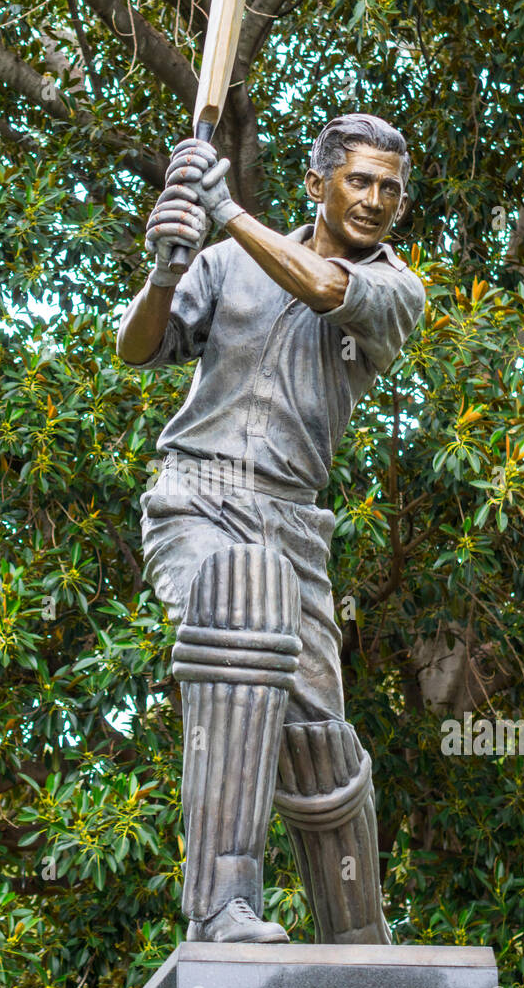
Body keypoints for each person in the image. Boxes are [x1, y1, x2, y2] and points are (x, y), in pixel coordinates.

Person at [117, 115, 425, 945]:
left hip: (295, 522)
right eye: (360, 181)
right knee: (238, 619)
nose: (375, 199)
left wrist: (227, 213)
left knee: (320, 738)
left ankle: (357, 935)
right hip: (199, 496)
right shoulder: (223, 264)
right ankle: (223, 904)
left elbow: (325, 289)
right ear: (318, 183)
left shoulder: (397, 291)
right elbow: (139, 348)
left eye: (390, 188)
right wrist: (160, 273)